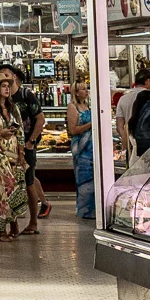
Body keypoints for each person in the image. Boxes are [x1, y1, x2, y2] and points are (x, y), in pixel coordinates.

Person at [0, 71, 29, 242]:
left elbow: (21, 133)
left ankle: (14, 223)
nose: (7, 89)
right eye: (4, 86)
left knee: (15, 190)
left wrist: (22, 154)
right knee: (0, 194)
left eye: (9, 86)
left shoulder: (13, 108)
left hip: (14, 156)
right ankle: (2, 230)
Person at [7, 69, 49, 231]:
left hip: (26, 147)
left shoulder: (26, 95)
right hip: (8, 148)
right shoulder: (2, 98)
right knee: (10, 185)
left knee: (29, 182)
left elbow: (40, 119)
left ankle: (33, 223)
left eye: (6, 74)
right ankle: (14, 225)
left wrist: (31, 142)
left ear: (14, 77)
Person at [66, 77, 95, 220]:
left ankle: (93, 209)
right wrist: (91, 124)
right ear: (76, 93)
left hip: (91, 148)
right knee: (83, 177)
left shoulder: (88, 106)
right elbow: (73, 130)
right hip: (81, 148)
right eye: (83, 89)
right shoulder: (72, 107)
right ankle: (84, 210)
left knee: (92, 178)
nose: (86, 91)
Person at [115, 64, 150, 163]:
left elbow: (119, 125)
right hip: (149, 145)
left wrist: (127, 140)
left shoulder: (123, 99)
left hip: (130, 145)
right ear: (147, 81)